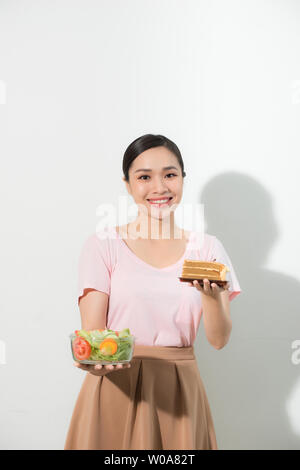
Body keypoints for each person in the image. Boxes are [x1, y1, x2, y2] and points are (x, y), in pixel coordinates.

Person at [64, 134, 242, 450]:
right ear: (128, 184)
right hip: (117, 387)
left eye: (170, 175)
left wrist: (212, 295)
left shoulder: (207, 249)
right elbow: (92, 333)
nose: (159, 187)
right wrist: (91, 361)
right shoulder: (103, 245)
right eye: (144, 177)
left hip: (180, 389)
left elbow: (218, 340)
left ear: (183, 179)